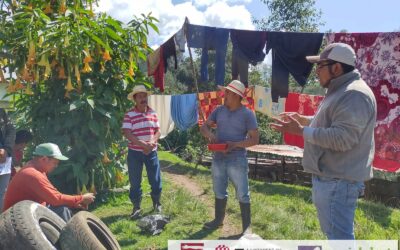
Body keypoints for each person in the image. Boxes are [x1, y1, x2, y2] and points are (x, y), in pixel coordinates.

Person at [271, 43, 377, 240]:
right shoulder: (341, 90)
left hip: (338, 181)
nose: (316, 72)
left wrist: (301, 130)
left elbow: (342, 138)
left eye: (320, 66)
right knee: (336, 236)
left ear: (336, 68)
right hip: (334, 179)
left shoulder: (354, 94)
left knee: (339, 239)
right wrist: (305, 120)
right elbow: (331, 123)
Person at [200, 80, 259, 235]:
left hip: (237, 159)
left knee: (242, 193)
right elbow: (204, 126)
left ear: (235, 95)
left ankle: (247, 229)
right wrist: (210, 135)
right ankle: (218, 220)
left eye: (226, 93)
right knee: (219, 190)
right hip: (218, 157)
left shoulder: (247, 114)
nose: (223, 95)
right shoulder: (219, 110)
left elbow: (254, 139)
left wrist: (235, 145)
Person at [3, 143, 95, 221]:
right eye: (55, 163)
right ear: (44, 159)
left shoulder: (37, 169)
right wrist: (81, 198)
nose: (56, 166)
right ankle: (69, 240)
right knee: (62, 210)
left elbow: (53, 194)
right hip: (18, 220)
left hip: (28, 212)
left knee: (64, 207)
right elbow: (55, 199)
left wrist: (75, 202)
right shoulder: (32, 174)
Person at [122, 85, 162, 219]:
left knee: (155, 180)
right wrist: (142, 144)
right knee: (135, 181)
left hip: (151, 152)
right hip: (135, 153)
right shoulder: (129, 115)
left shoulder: (153, 113)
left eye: (144, 96)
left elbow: (158, 131)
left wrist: (153, 141)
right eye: (140, 96)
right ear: (135, 99)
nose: (143, 99)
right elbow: (127, 133)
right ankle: (136, 207)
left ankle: (157, 204)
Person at [0, 108, 15, 211]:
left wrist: (6, 149)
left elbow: (11, 131)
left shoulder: (3, 115)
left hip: (4, 163)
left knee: (2, 192)